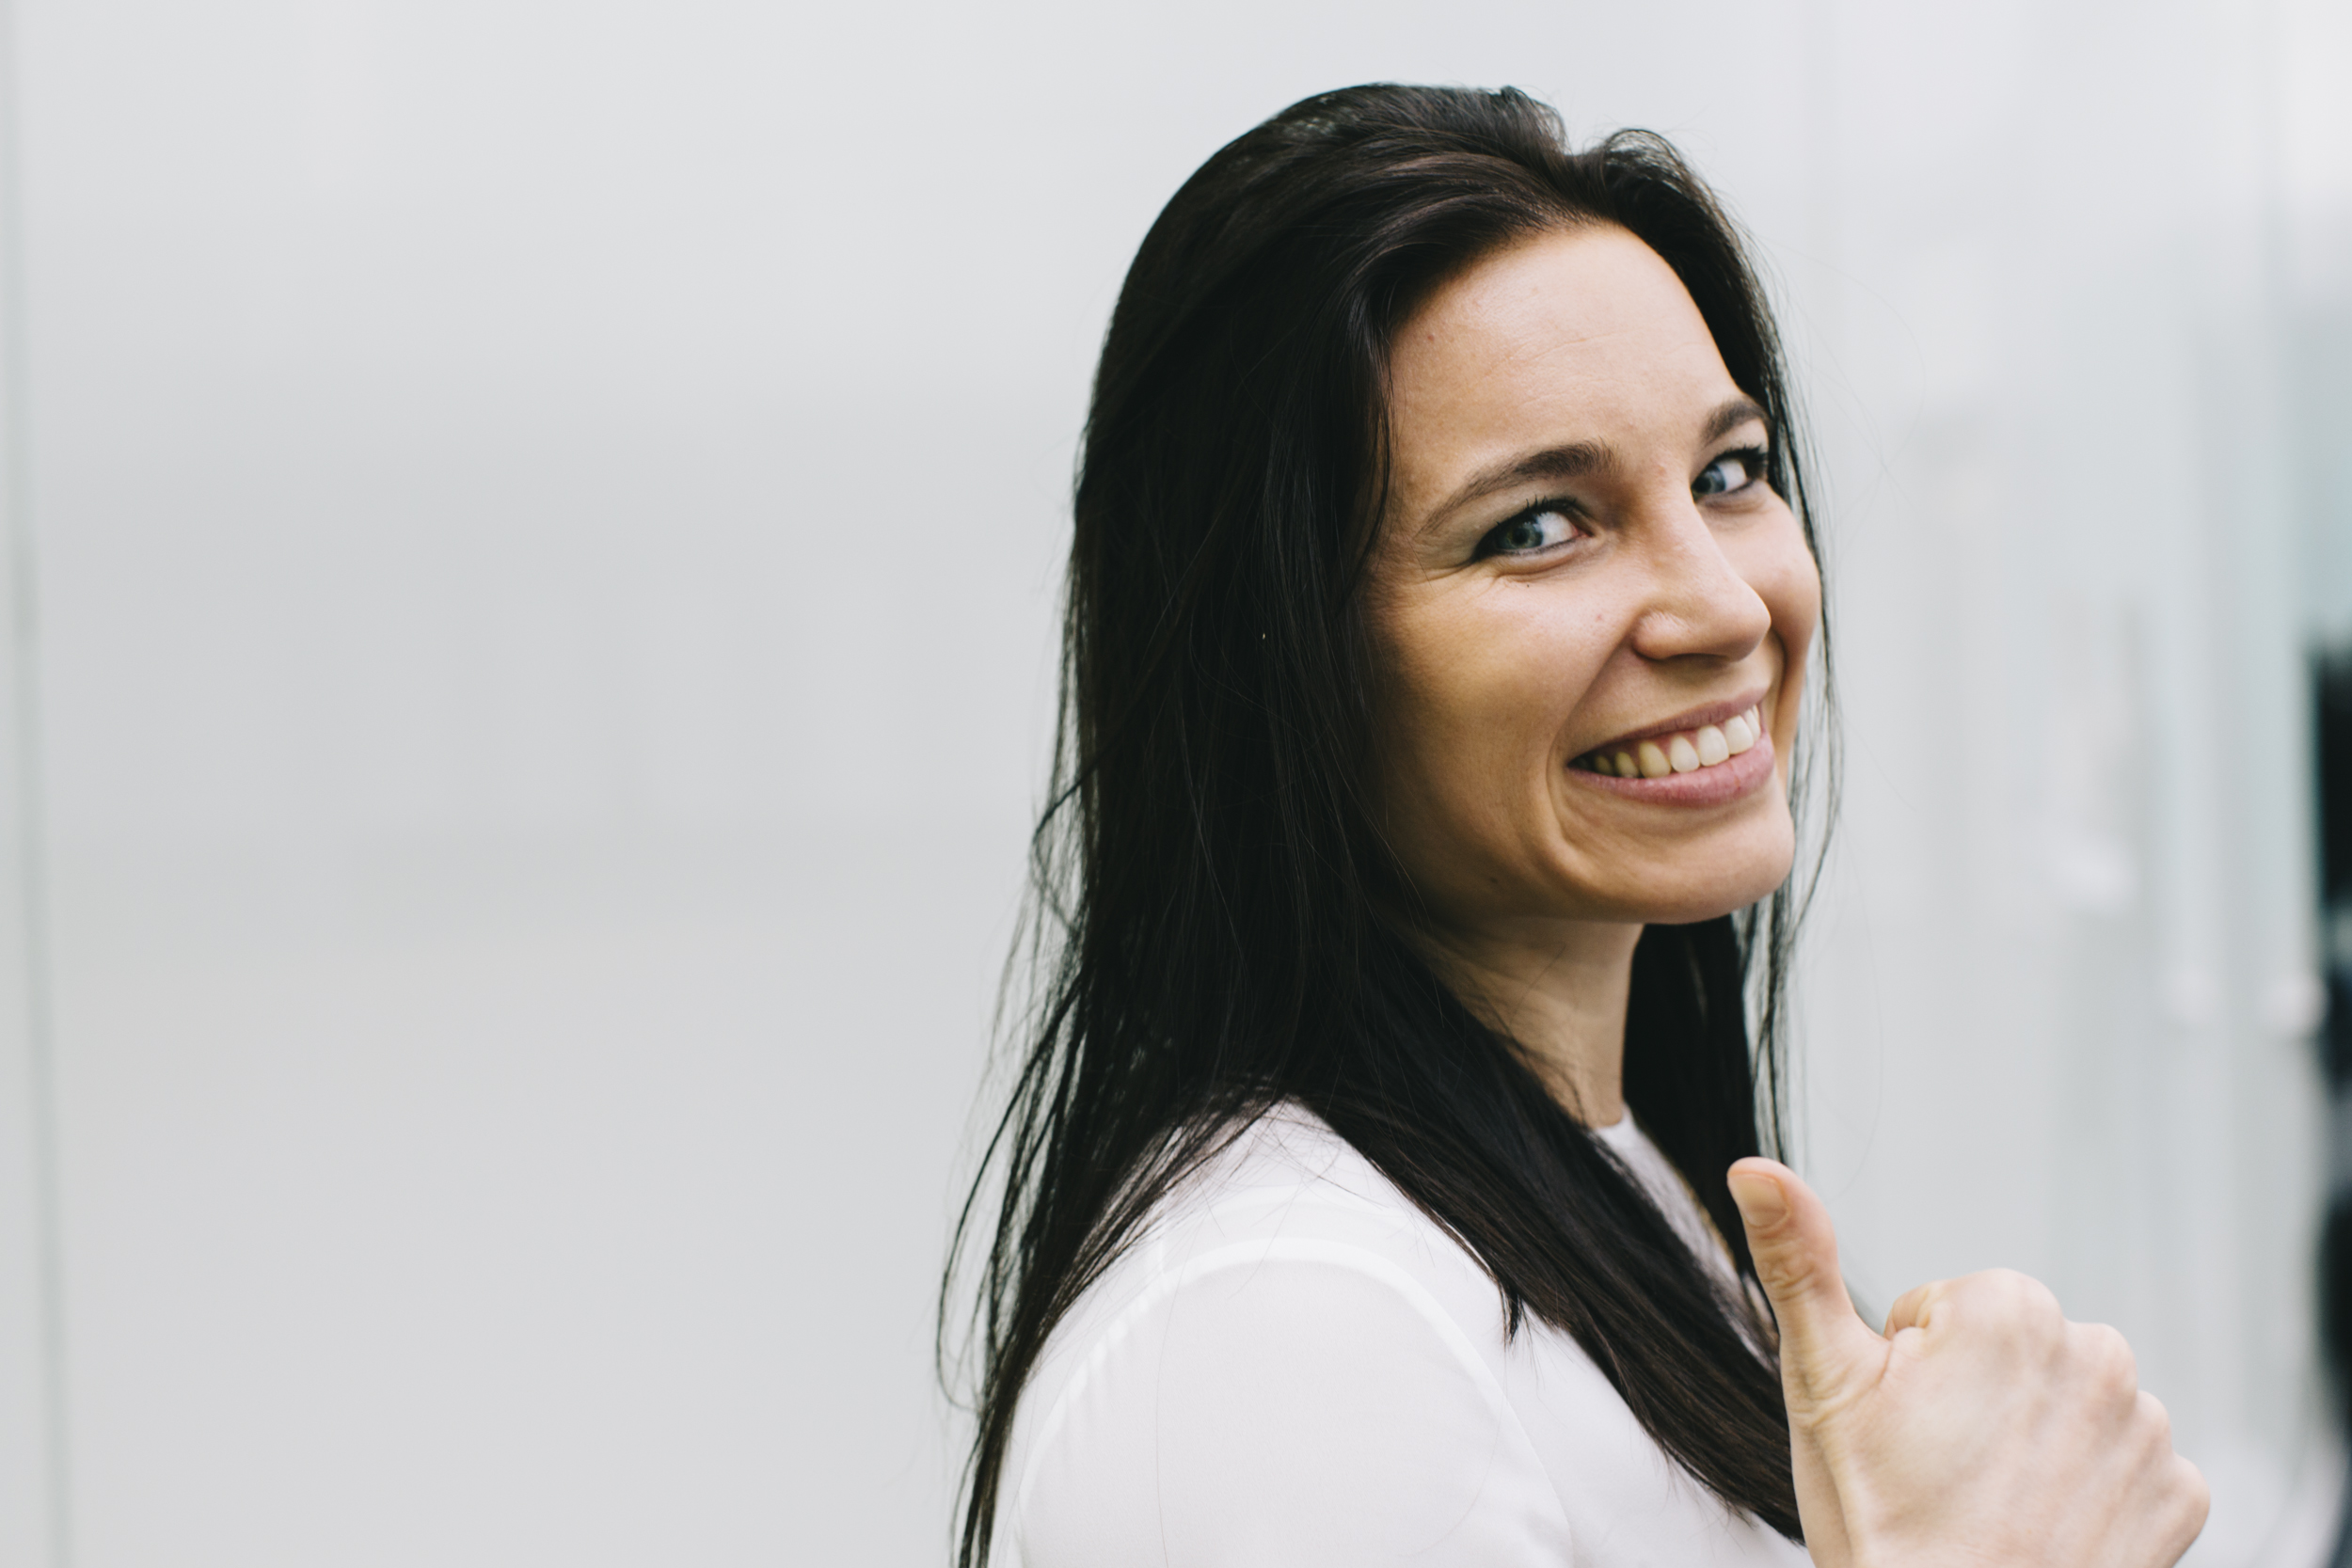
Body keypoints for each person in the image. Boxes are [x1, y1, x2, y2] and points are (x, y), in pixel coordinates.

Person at [942, 84, 2209, 1567]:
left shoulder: (1601, 1190)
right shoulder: (1287, 1329)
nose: (1725, 608)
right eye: (1539, 526)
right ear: (1275, 667)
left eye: (1729, 474)